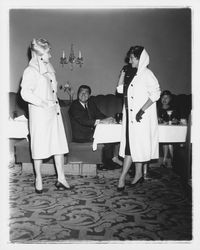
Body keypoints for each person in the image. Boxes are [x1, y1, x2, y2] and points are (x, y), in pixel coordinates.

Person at [21, 38, 71, 193]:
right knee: (39, 146)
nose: (50, 55)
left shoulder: (49, 67)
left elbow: (53, 90)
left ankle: (61, 178)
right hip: (40, 115)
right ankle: (38, 178)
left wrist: (54, 103)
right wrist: (42, 103)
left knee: (58, 146)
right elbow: (25, 93)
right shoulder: (30, 70)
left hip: (53, 113)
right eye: (48, 52)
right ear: (39, 54)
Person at [116, 45, 161, 191]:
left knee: (133, 147)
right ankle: (138, 174)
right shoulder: (132, 73)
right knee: (134, 146)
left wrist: (142, 110)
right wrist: (122, 74)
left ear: (140, 58)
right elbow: (120, 90)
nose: (130, 61)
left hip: (140, 118)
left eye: (132, 58)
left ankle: (122, 178)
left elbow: (156, 94)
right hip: (130, 117)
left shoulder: (147, 74)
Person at [68, 84, 123, 169]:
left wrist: (109, 118)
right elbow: (83, 121)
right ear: (78, 94)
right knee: (107, 137)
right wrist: (101, 121)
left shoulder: (90, 103)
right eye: (81, 92)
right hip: (80, 135)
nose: (83, 94)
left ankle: (110, 159)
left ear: (89, 95)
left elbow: (98, 114)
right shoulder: (75, 105)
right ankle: (106, 163)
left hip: (90, 132)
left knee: (111, 134)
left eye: (86, 93)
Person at [157, 90, 180, 167]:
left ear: (170, 99)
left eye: (167, 98)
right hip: (160, 131)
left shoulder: (173, 109)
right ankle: (166, 161)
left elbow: (177, 119)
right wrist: (157, 118)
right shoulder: (157, 108)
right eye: (163, 97)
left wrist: (175, 120)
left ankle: (170, 161)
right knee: (167, 140)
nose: (164, 100)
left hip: (170, 131)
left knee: (169, 141)